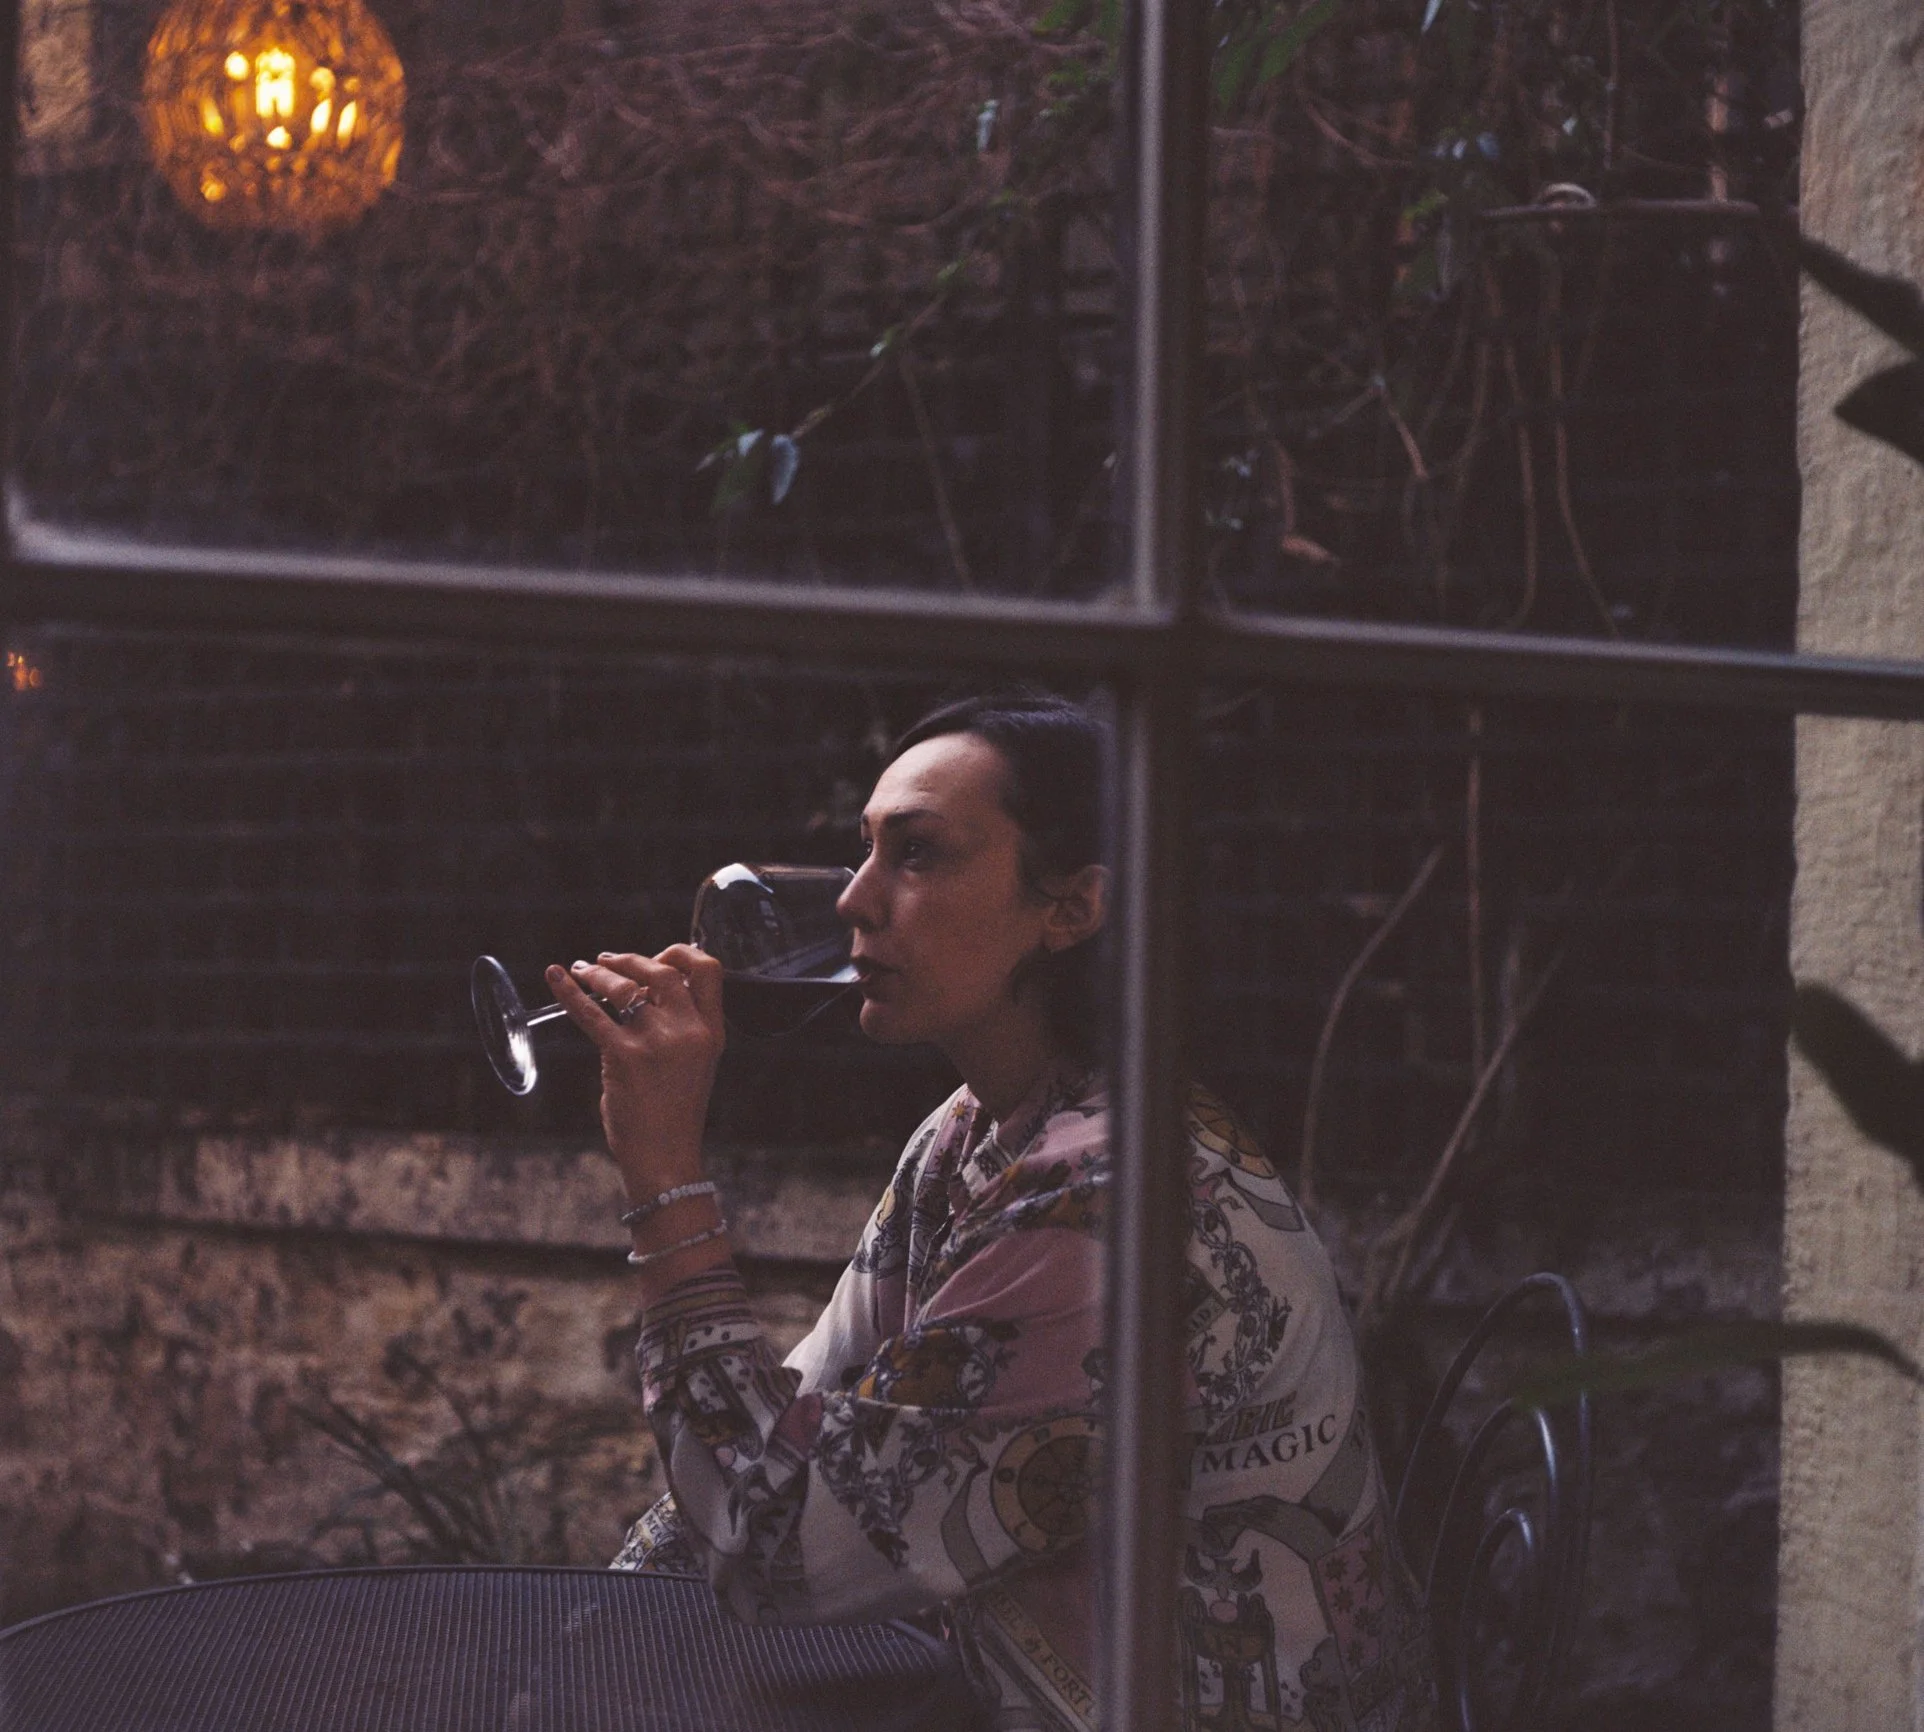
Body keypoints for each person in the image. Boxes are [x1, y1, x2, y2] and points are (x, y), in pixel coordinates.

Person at [546, 690, 1435, 1732]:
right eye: (866, 851)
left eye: (917, 854)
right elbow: (800, 1423)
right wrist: (591, 1628)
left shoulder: (1107, 1208)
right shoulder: (971, 1135)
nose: (854, 900)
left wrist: (663, 1175)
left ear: (1072, 907)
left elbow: (777, 1541)